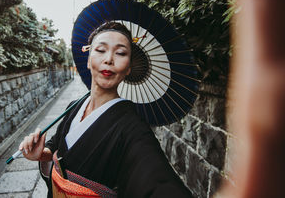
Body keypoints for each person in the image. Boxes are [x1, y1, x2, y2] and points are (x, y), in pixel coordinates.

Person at [19, 22, 192, 197]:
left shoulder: (133, 129)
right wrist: (42, 154)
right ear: (88, 60)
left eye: (121, 53)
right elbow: (56, 145)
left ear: (128, 69)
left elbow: (158, 182)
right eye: (101, 50)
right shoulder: (74, 107)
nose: (109, 59)